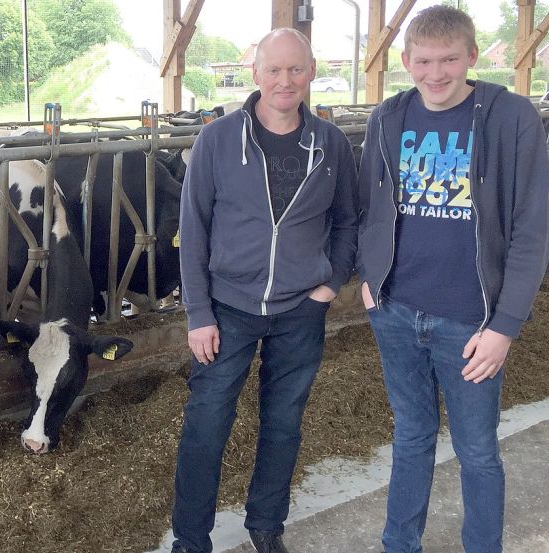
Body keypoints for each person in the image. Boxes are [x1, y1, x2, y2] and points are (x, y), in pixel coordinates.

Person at [356, 6, 549, 553]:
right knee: (411, 437)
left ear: (472, 56)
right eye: (423, 60)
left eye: (448, 60)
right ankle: (400, 544)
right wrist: (369, 274)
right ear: (405, 60)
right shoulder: (387, 117)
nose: (435, 73)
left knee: (478, 450)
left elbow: (532, 229)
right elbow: (367, 203)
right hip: (395, 312)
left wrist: (505, 326)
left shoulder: (512, 118)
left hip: (471, 323)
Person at [173, 28, 358, 553]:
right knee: (207, 424)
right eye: (273, 70)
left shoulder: (330, 143)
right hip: (227, 308)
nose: (285, 80)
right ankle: (190, 538)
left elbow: (346, 220)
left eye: (295, 70)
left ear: (312, 72)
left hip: (301, 308)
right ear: (254, 74)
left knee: (284, 422)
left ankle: (266, 524)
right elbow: (195, 228)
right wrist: (198, 313)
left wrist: (330, 283)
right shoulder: (217, 139)